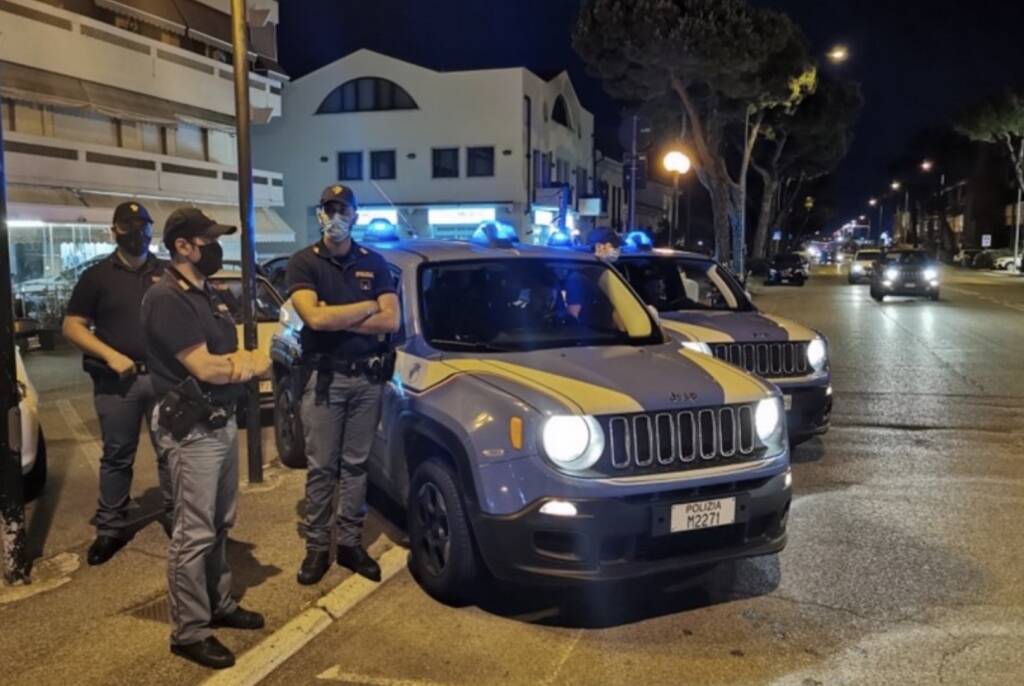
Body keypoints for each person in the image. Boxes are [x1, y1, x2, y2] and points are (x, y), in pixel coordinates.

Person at [141, 207, 270, 670]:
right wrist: (255, 363)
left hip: (219, 420)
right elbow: (206, 366)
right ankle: (189, 631)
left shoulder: (206, 292)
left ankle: (219, 604)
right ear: (182, 245)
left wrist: (240, 361)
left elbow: (225, 353)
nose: (213, 248)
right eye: (206, 240)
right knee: (192, 534)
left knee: (219, 523)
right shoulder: (166, 297)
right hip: (191, 428)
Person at [286, 184, 400, 586]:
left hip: (367, 379)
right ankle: (317, 547)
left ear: (356, 215)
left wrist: (339, 314)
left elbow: (392, 321)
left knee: (355, 466)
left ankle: (350, 543)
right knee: (321, 468)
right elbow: (314, 320)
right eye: (329, 209)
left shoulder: (376, 261)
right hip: (325, 379)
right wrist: (369, 305)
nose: (336, 216)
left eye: (343, 209)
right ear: (320, 214)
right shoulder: (303, 263)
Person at [63, 202, 172, 566]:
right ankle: (110, 528)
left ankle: (177, 515)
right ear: (115, 230)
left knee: (171, 451)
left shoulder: (168, 273)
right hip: (117, 382)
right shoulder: (96, 276)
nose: (137, 231)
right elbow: (73, 325)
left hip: (162, 378)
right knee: (116, 456)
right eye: (128, 225)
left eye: (143, 225)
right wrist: (110, 355)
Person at [566, 227, 621, 328]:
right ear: (599, 247)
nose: (617, 250)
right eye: (613, 247)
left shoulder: (607, 269)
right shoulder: (579, 276)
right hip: (592, 336)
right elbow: (573, 315)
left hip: (608, 335)